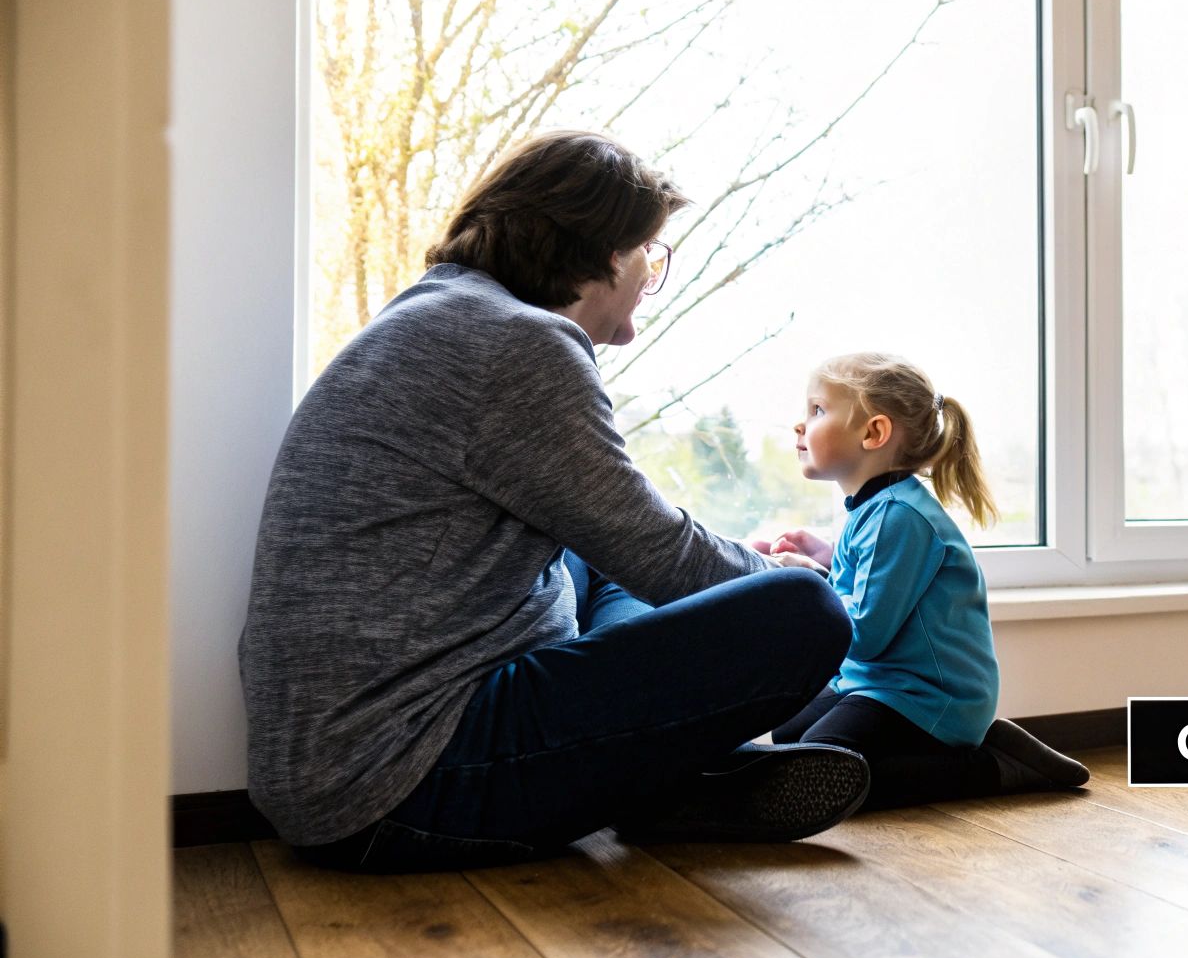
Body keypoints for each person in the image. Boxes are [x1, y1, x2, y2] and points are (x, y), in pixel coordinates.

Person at [238, 131, 870, 873]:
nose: (643, 293)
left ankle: (665, 777)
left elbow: (626, 533)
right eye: (650, 258)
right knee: (804, 614)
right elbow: (662, 554)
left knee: (591, 556)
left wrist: (739, 564)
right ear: (610, 250)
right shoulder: (518, 343)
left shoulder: (440, 316)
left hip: (334, 772)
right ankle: (672, 775)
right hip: (402, 783)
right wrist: (823, 587)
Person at [766, 352, 1090, 808]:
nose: (801, 425)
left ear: (873, 433)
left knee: (820, 773)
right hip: (882, 684)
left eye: (817, 410)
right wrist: (822, 558)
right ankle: (974, 748)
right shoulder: (875, 508)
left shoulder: (899, 517)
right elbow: (865, 583)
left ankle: (994, 766)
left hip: (927, 695)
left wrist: (810, 581)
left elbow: (864, 636)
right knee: (787, 736)